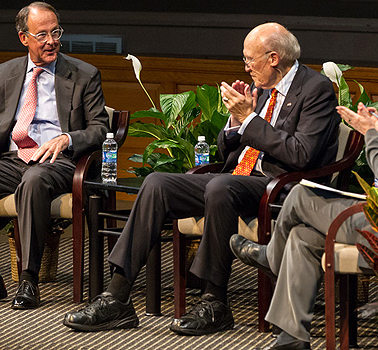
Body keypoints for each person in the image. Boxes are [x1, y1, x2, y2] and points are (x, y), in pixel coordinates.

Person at [62, 22, 341, 334]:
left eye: (250, 59)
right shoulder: (262, 88)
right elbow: (228, 149)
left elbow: (302, 154)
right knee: (157, 183)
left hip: (281, 187)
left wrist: (249, 119)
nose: (246, 67)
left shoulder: (315, 89)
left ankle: (214, 301)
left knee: (222, 186)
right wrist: (235, 121)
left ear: (273, 58)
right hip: (238, 179)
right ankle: (117, 297)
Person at [230, 40, 378, 350]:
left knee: (301, 196)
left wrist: (371, 135)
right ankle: (291, 337)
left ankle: (269, 256)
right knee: (303, 236)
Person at [0, 2, 109, 310]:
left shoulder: (84, 75)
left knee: (35, 181)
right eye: (42, 35)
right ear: (24, 37)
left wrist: (67, 138)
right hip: (12, 160)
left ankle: (29, 279)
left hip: (58, 161)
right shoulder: (4, 73)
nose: (51, 41)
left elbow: (100, 128)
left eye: (56, 32)